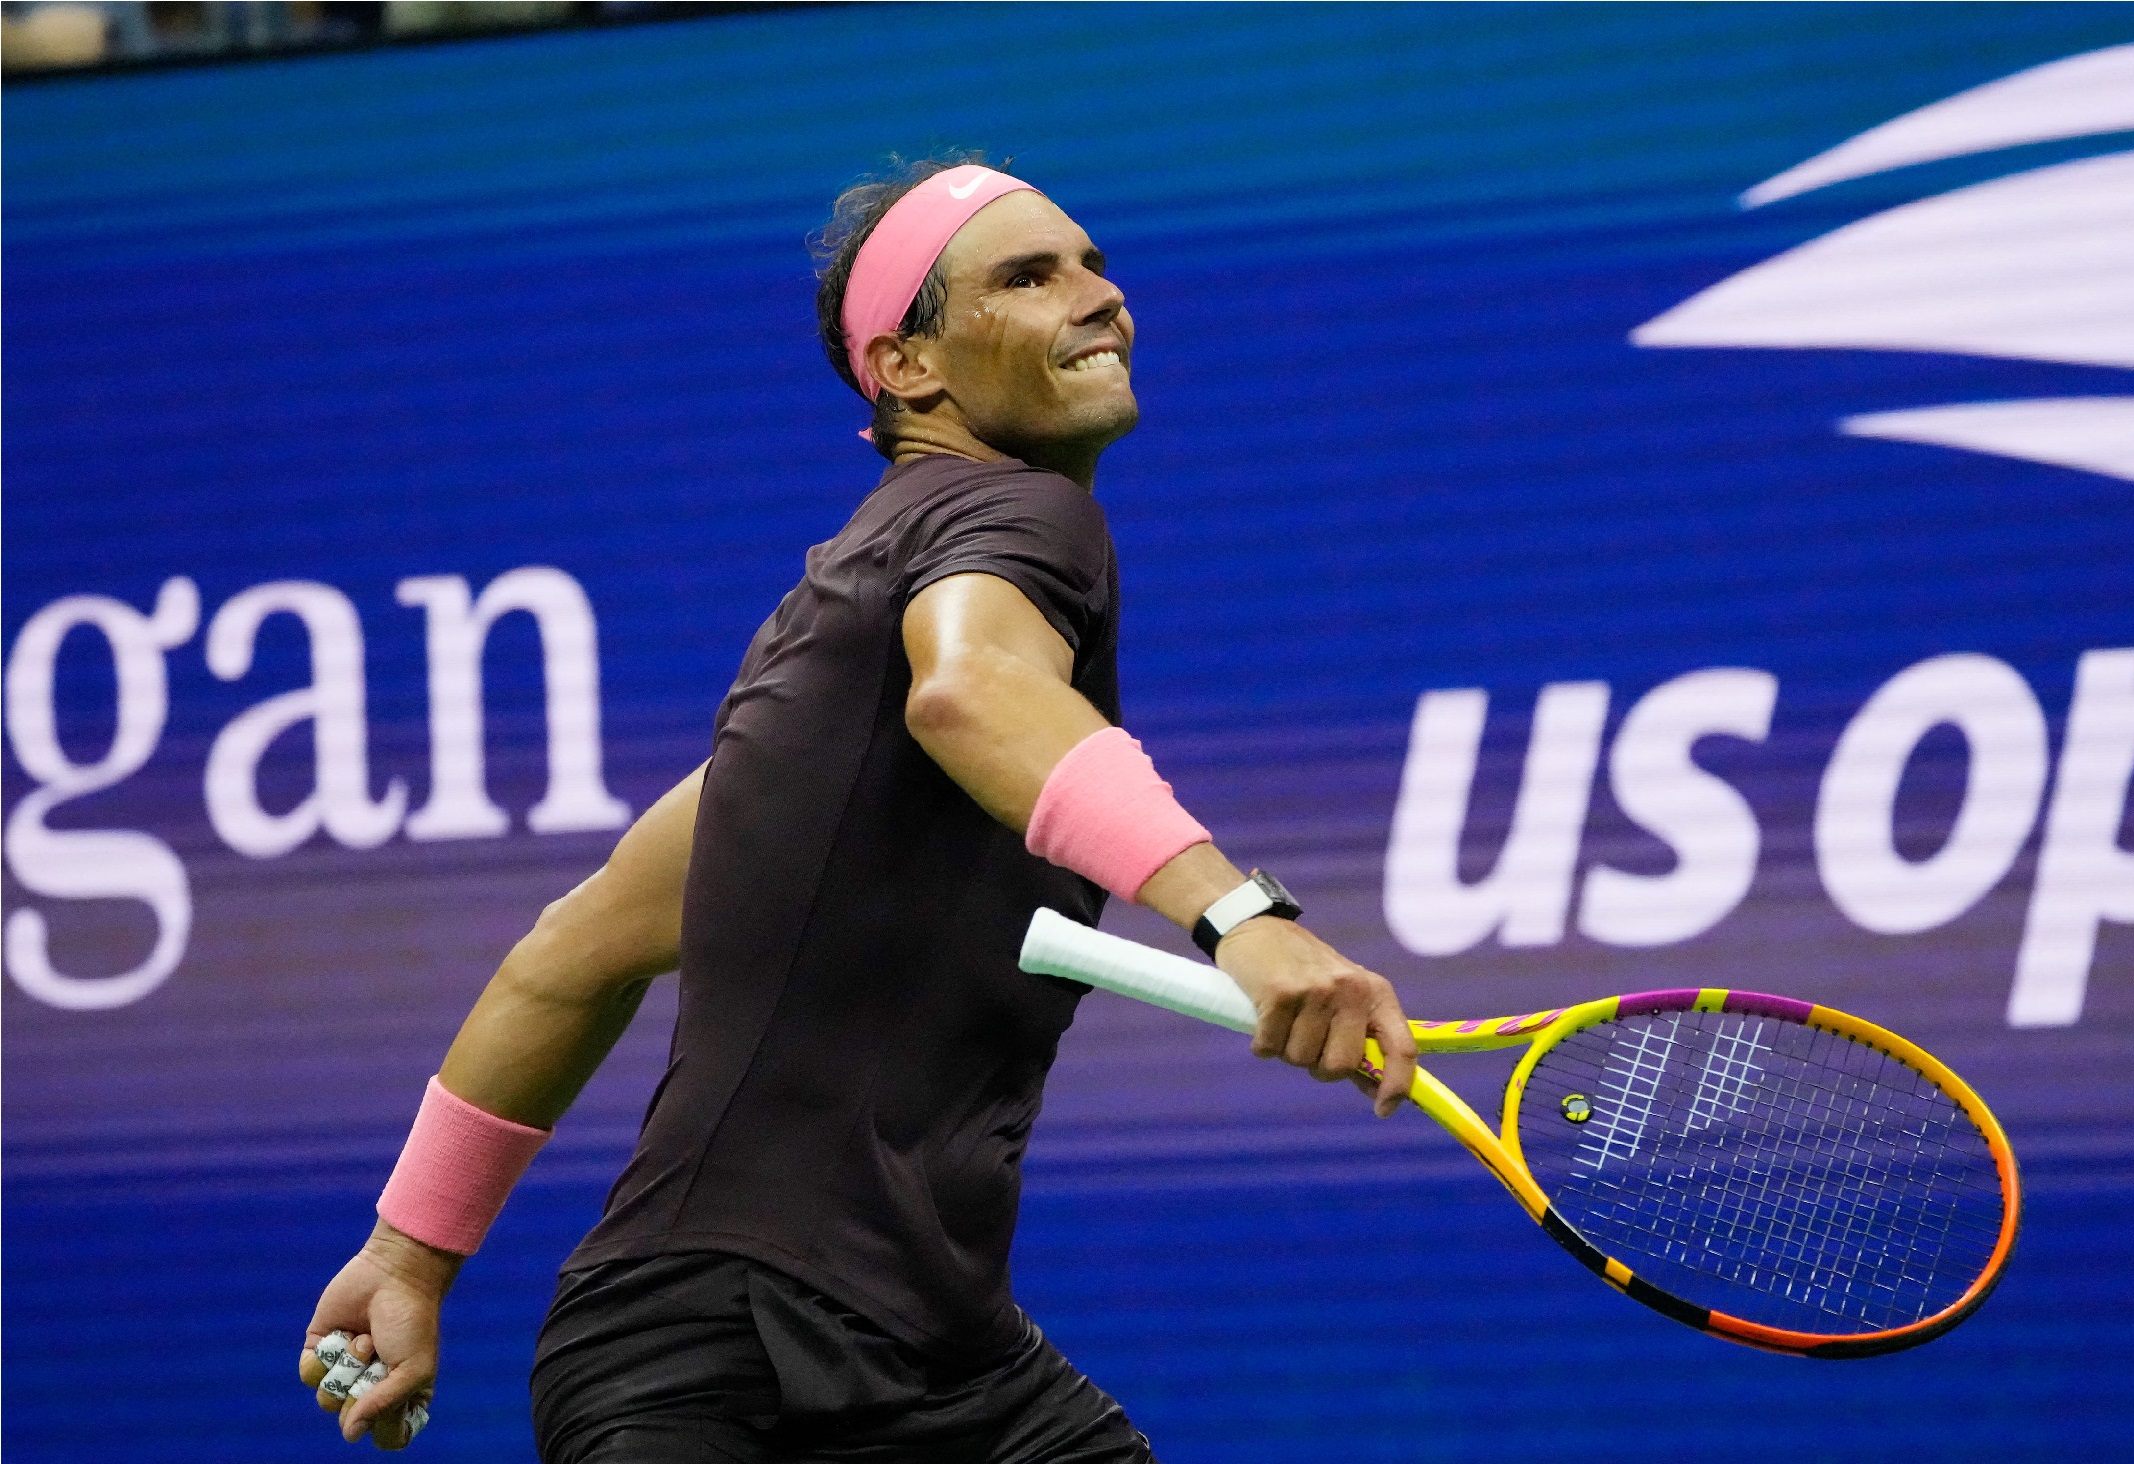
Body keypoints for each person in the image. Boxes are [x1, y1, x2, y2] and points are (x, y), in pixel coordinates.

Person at [297, 153, 1419, 1462]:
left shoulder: (834, 650)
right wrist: (1242, 918)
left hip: (911, 1362)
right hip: (727, 1365)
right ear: (908, 367)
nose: (1098, 295)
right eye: (1028, 277)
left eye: (1095, 265)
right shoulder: (1023, 513)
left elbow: (569, 958)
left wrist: (410, 1253)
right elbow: (973, 689)